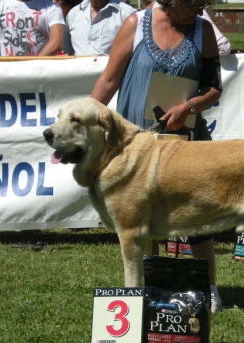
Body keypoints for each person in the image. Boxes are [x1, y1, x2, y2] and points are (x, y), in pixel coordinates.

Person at [90, 0, 224, 313]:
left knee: (196, 214)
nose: (199, 12)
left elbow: (214, 88)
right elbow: (110, 79)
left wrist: (188, 108)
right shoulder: (135, 25)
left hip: (184, 140)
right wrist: (84, 122)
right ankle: (146, 287)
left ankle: (209, 287)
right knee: (140, 216)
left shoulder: (203, 30)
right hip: (135, 142)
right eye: (193, 5)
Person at [0, 0, 65, 56]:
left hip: (40, 77)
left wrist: (32, 68)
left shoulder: (52, 8)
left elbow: (56, 43)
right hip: (8, 78)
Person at [145, 0, 230, 56]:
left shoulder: (204, 28)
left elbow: (223, 47)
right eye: (196, 6)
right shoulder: (137, 22)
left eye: (204, 7)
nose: (200, 13)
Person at [63, 0, 136, 55]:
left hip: (115, 75)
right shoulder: (74, 13)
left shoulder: (127, 14)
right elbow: (68, 52)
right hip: (77, 74)